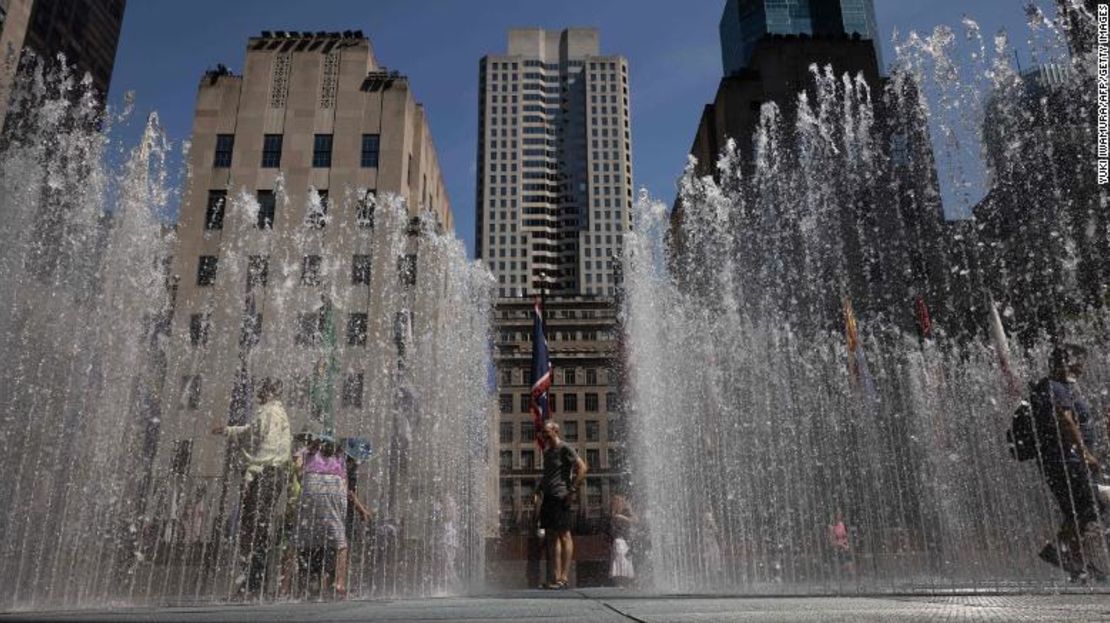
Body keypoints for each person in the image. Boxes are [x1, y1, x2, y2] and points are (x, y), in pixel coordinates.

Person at [1031, 344, 1106, 582]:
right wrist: (1085, 453)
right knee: (1089, 506)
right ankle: (1059, 550)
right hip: (1067, 460)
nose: (1082, 368)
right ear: (1066, 362)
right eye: (1079, 362)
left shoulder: (1056, 386)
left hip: (1064, 460)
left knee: (1077, 509)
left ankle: (1074, 560)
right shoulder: (1055, 387)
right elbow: (1066, 421)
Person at [211, 377, 291, 598]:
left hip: (266, 473)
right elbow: (252, 430)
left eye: (262, 391)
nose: (257, 395)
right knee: (254, 527)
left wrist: (250, 474)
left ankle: (255, 584)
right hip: (267, 473)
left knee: (256, 527)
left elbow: (269, 446)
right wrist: (228, 430)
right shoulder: (268, 412)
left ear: (269, 392)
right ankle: (254, 582)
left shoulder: (272, 413)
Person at [531, 421, 587, 589]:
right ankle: (554, 578)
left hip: (561, 496)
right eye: (542, 433)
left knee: (564, 535)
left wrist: (572, 490)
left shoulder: (565, 448)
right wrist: (538, 490)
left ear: (556, 431)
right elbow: (548, 474)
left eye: (547, 432)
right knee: (550, 537)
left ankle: (564, 577)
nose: (544, 435)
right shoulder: (547, 452)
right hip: (548, 497)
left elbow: (583, 468)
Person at [295, 434, 351, 598]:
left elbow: (298, 471)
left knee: (303, 538)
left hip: (311, 487)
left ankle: (298, 586)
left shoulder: (306, 452)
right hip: (334, 487)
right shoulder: (339, 456)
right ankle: (338, 584)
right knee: (340, 542)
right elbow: (345, 483)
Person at [608, 495, 636, 587]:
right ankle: (621, 582)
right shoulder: (617, 515)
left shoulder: (622, 514)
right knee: (621, 559)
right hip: (620, 540)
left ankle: (622, 582)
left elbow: (635, 520)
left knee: (624, 560)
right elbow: (633, 521)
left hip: (624, 540)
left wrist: (629, 508)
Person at [828, 510, 853, 577]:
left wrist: (846, 544)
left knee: (849, 562)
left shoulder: (841, 524)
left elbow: (845, 536)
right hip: (837, 548)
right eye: (839, 514)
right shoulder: (831, 527)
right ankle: (841, 573)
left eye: (840, 514)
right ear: (835, 516)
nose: (840, 516)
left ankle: (848, 575)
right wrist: (841, 545)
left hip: (844, 546)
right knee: (843, 562)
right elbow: (832, 541)